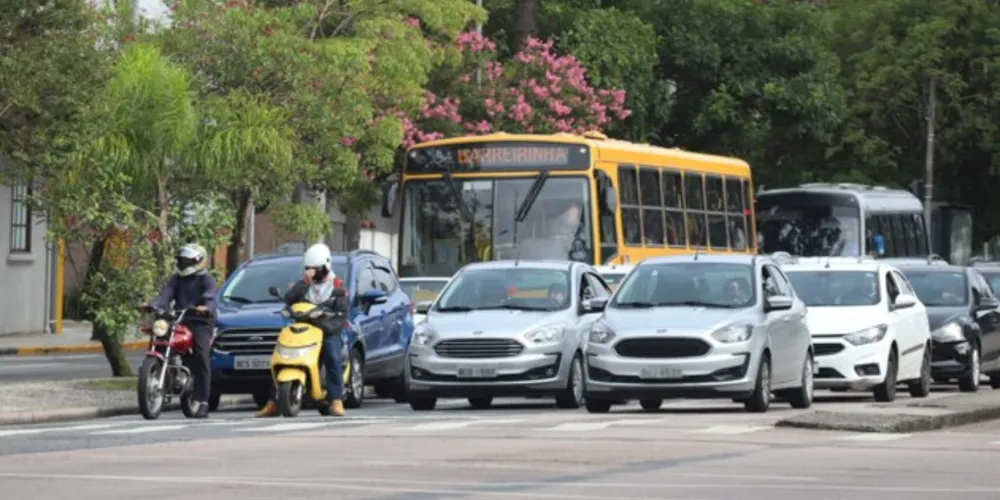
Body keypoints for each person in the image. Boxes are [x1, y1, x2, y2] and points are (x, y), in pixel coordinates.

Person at [257, 243, 348, 418]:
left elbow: (340, 317)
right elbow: (289, 299)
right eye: (308, 269)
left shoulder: (337, 286)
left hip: (327, 330)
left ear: (326, 266)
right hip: (303, 328)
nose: (312, 272)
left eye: (316, 269)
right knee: (281, 353)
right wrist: (303, 284)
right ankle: (274, 402)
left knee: (332, 355)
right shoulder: (304, 284)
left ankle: (336, 399)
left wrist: (323, 323)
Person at [143, 243, 217, 418]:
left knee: (201, 355)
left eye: (188, 261)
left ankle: (203, 401)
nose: (184, 263)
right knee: (159, 339)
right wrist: (152, 304)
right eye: (182, 260)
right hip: (178, 318)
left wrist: (205, 307)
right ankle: (158, 374)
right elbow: (165, 295)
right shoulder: (176, 279)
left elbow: (211, 296)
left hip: (200, 321)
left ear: (199, 261)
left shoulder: (207, 279)